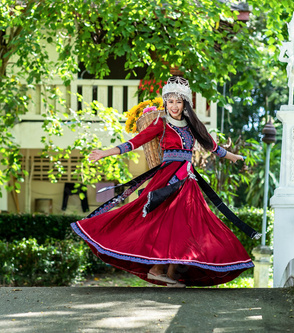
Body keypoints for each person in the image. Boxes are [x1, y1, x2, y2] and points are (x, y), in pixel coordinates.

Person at [71, 76, 256, 288]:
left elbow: (212, 145)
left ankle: (169, 274)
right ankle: (157, 269)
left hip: (187, 180)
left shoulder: (193, 125)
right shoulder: (162, 123)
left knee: (185, 226)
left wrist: (232, 157)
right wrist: (105, 153)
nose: (174, 106)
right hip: (167, 179)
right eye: (170, 101)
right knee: (160, 222)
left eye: (178, 101)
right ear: (165, 103)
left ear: (185, 103)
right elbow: (135, 142)